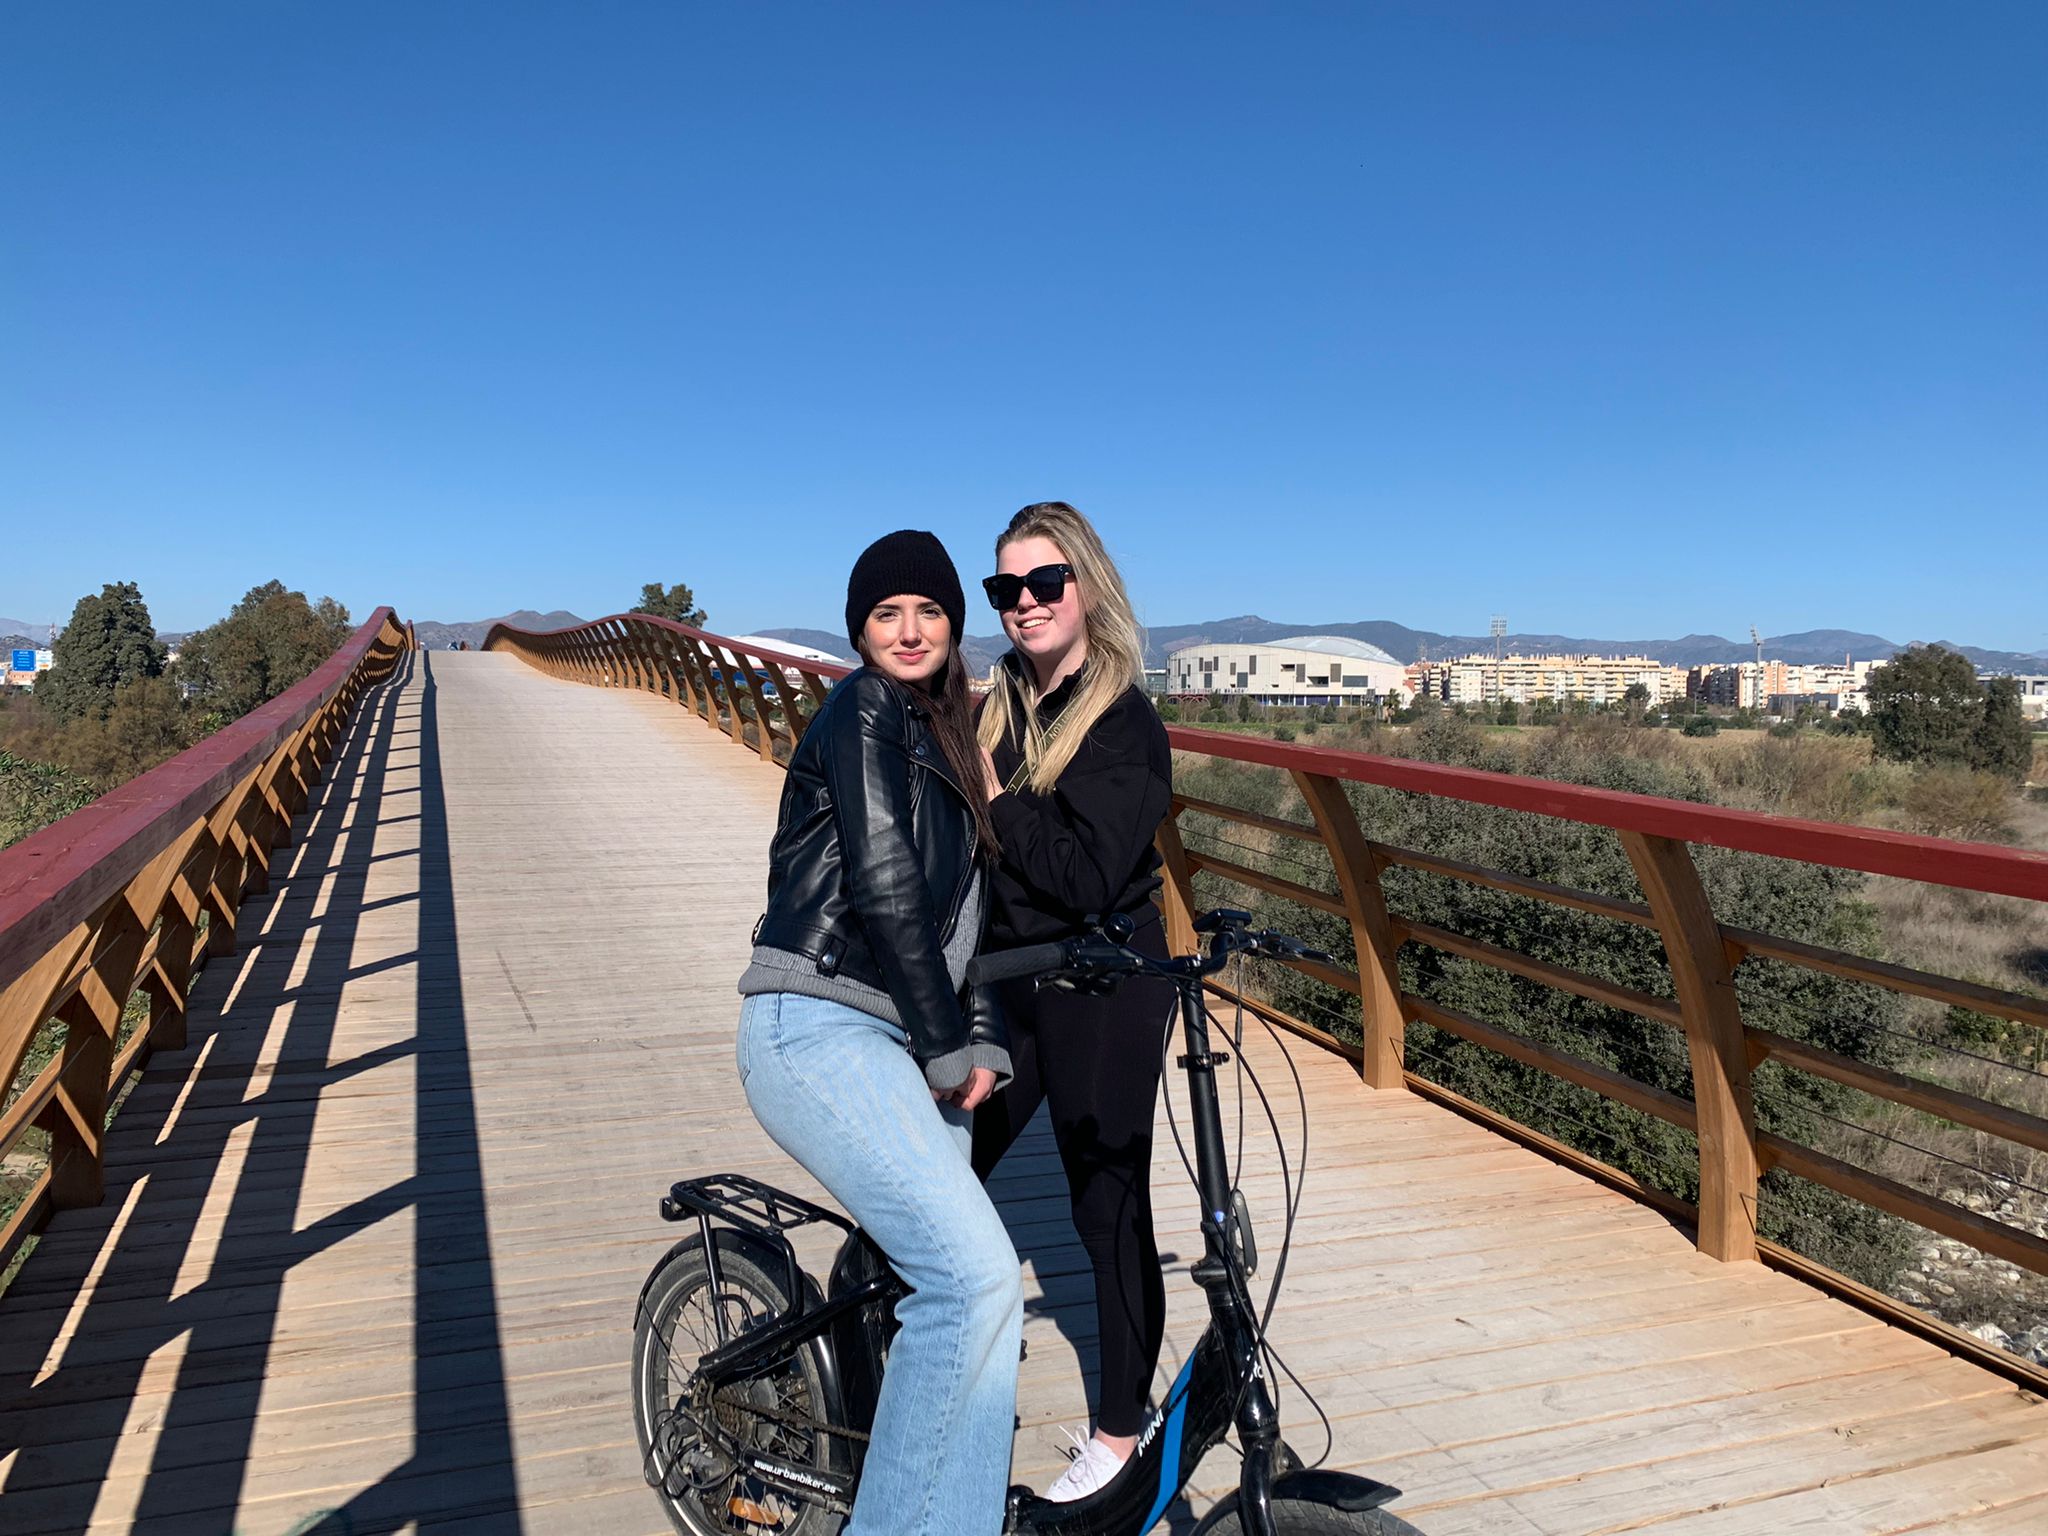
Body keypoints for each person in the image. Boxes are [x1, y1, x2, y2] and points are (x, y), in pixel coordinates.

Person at [735, 530, 1023, 1536]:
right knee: (975, 1282)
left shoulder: (950, 741)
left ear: (953, 628)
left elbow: (966, 916)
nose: (907, 631)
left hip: (901, 1041)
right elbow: (886, 885)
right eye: (884, 614)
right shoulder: (860, 708)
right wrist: (946, 1045)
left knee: (945, 1295)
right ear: (860, 631)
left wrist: (975, 1038)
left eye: (929, 612)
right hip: (815, 1021)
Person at [970, 501, 1175, 1502]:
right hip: (1012, 976)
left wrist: (992, 792)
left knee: (1106, 1203)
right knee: (944, 1155)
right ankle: (946, 1353)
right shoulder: (1002, 704)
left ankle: (1119, 1431)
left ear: (1086, 585)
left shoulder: (1122, 722)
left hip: (1105, 979)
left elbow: (1087, 875)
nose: (1023, 604)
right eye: (1004, 589)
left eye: (1042, 584)